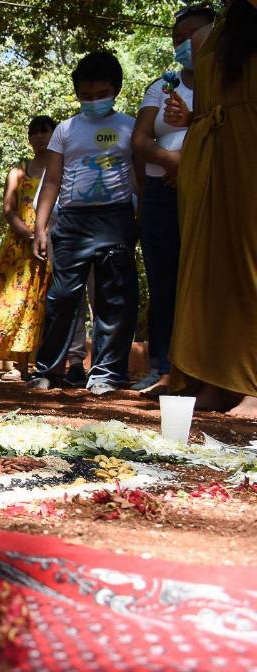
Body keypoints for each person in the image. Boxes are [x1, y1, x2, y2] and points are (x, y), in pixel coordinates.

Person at [163, 0, 257, 417]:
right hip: (211, 156)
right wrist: (189, 120)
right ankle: (213, 381)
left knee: (250, 264)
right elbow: (209, 103)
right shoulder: (209, 37)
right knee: (209, 268)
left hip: (250, 153)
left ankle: (252, 385)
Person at [30, 51, 138, 395]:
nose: (93, 101)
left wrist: (143, 218)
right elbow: (52, 181)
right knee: (62, 297)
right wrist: (40, 227)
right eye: (86, 95)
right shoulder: (65, 130)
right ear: (77, 93)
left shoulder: (130, 126)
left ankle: (107, 373)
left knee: (114, 298)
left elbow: (139, 177)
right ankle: (49, 370)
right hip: (72, 222)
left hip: (116, 217)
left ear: (116, 89)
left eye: (101, 94)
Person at [130, 3, 217, 394]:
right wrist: (173, 163)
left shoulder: (227, 82)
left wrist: (190, 167)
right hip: (160, 197)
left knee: (205, 280)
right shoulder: (161, 87)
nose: (185, 45)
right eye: (177, 39)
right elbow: (140, 140)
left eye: (192, 36)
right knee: (164, 282)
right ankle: (163, 366)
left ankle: (209, 370)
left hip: (209, 192)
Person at [0, 115, 56, 380]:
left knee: (44, 304)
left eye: (45, 131)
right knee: (14, 303)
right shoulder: (18, 170)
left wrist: (45, 237)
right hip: (20, 249)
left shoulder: (61, 168)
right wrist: (31, 236)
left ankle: (46, 365)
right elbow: (8, 210)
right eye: (35, 132)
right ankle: (19, 366)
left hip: (55, 244)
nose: (40, 137)